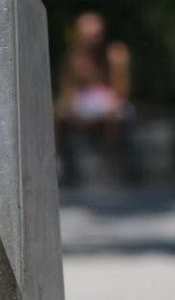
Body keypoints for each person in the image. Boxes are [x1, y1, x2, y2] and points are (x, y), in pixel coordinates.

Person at [54, 11, 137, 186]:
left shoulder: (115, 54)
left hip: (109, 103)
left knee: (118, 113)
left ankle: (113, 162)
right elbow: (68, 90)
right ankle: (62, 163)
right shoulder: (75, 57)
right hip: (85, 104)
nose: (93, 40)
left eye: (96, 35)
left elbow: (121, 91)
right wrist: (73, 109)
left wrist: (111, 105)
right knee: (58, 113)